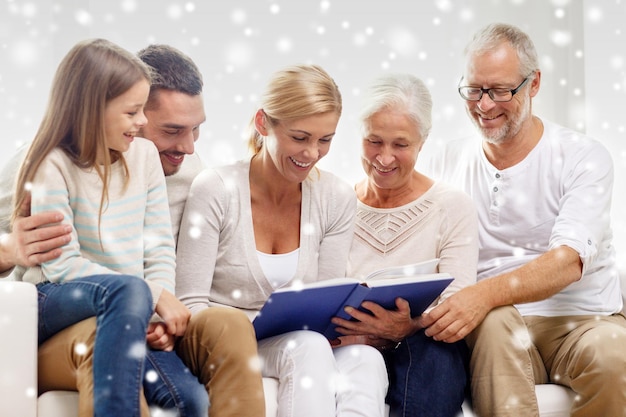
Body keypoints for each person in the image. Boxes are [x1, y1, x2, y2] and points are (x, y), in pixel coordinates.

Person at [0, 43, 266, 417]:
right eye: (172, 130)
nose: (188, 147)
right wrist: (11, 249)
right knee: (115, 319)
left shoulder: (176, 167)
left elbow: (161, 252)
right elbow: (60, 267)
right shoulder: (43, 162)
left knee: (223, 335)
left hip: (142, 310)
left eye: (196, 130)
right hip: (69, 308)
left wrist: (160, 314)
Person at [421, 23, 626, 417]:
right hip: (499, 326)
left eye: (499, 90)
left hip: (584, 320)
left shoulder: (583, 157)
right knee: (494, 320)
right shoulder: (444, 161)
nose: (484, 105)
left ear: (533, 85)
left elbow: (567, 262)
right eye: (474, 90)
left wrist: (481, 295)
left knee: (615, 355)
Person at [175, 64, 388, 417]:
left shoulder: (335, 196)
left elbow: (326, 295)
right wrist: (247, 327)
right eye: (300, 137)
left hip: (298, 339)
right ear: (264, 124)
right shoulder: (216, 189)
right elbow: (190, 301)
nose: (312, 154)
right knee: (306, 347)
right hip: (225, 343)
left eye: (325, 140)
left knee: (365, 358)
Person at [329, 73, 477, 417]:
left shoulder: (452, 206)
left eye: (400, 144)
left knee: (434, 351)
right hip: (351, 346)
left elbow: (457, 304)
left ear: (422, 143)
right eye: (374, 141)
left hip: (425, 348)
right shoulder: (336, 204)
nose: (384, 157)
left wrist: (406, 327)